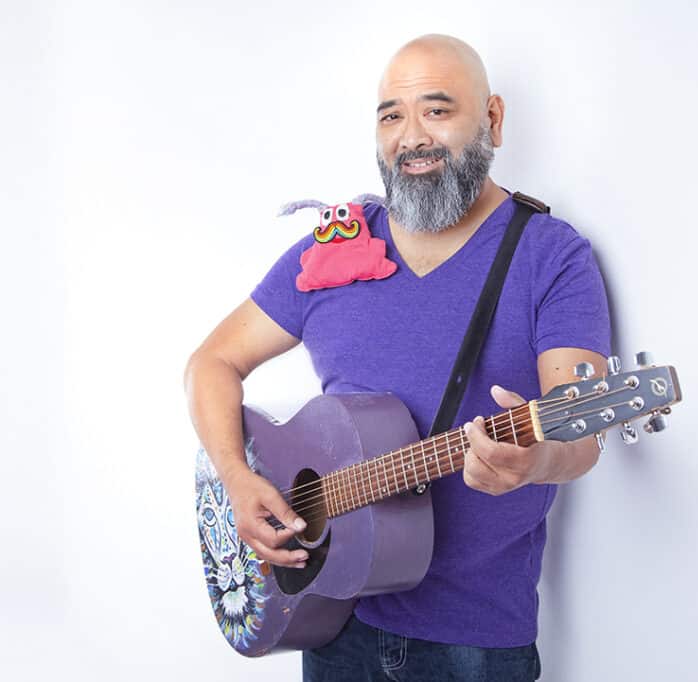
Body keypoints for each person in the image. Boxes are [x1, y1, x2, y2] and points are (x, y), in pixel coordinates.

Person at [184, 33, 611, 681]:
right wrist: (238, 481)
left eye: (437, 111)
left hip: (475, 641)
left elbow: (580, 433)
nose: (411, 136)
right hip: (331, 618)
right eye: (391, 115)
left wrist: (533, 462)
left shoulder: (549, 255)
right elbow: (211, 363)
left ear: (491, 118)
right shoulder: (334, 250)